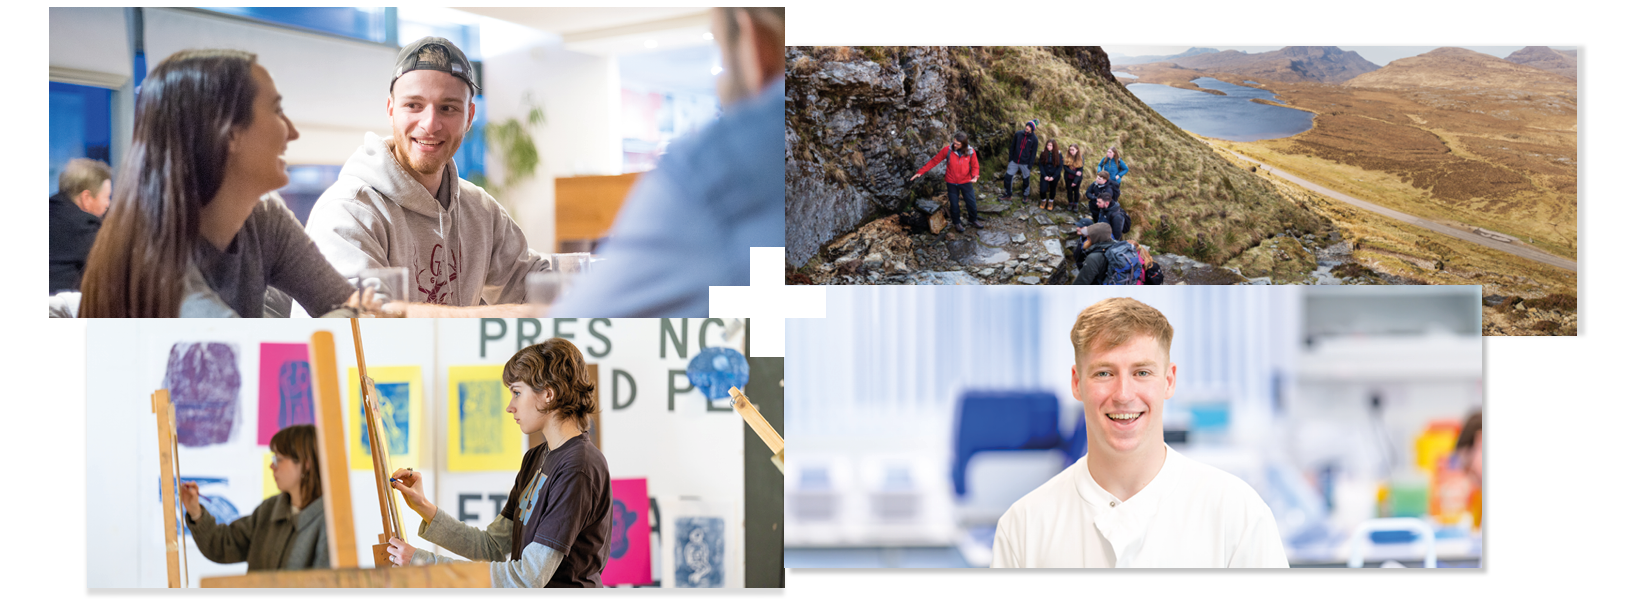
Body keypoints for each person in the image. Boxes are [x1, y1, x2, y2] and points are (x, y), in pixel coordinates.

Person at [78, 50, 375, 318]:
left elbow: (349, 304)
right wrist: (347, 320)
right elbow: (239, 362)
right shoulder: (155, 253)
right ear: (230, 134)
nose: (293, 132)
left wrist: (352, 316)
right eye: (276, 111)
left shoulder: (263, 219)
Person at [992, 298, 1288, 567]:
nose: (1123, 394)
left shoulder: (1238, 514)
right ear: (1077, 382)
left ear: (1169, 381)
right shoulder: (1023, 527)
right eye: (1104, 373)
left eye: (1142, 373)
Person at [547, 8, 784, 317]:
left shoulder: (713, 172)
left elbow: (572, 337)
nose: (721, 83)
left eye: (723, 57)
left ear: (754, 44)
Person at [304, 37, 549, 317]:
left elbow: (535, 284)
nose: (430, 124)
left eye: (448, 108)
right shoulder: (349, 211)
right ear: (391, 110)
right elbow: (364, 323)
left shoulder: (480, 210)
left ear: (469, 116)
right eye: (413, 105)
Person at [386, 338, 611, 588]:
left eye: (517, 392)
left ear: (548, 394)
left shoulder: (579, 467)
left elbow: (528, 577)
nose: (510, 407)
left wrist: (422, 564)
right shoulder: (535, 458)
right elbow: (491, 545)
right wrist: (424, 506)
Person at [181, 425, 329, 570]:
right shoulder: (269, 509)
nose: (272, 466)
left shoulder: (329, 524)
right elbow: (223, 545)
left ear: (306, 463)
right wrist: (196, 513)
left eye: (279, 459)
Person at [49, 158, 112, 294]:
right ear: (86, 198)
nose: (108, 204)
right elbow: (113, 272)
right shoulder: (85, 226)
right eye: (106, 197)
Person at [909, 131, 981, 233]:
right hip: (951, 182)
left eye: (957, 144)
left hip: (966, 181)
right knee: (954, 204)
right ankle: (957, 223)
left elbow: (975, 166)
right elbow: (934, 161)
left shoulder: (970, 151)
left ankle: (973, 219)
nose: (954, 145)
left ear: (963, 144)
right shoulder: (947, 150)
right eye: (954, 142)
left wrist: (975, 176)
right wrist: (920, 172)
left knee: (972, 203)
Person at [1000, 119, 1039, 202]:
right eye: (1027, 125)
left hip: (1025, 163)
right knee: (1007, 177)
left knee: (1026, 180)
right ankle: (1008, 194)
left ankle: (1025, 195)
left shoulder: (1034, 139)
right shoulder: (1018, 134)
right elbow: (1012, 147)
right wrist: (1010, 159)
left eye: (1029, 126)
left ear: (1032, 128)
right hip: (1014, 161)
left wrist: (1030, 164)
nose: (1027, 127)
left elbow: (1033, 153)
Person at [1036, 140, 1063, 211]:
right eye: (1048, 145)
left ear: (1054, 146)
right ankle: (1043, 200)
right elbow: (1040, 165)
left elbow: (1060, 167)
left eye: (1050, 145)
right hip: (1045, 174)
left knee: (1052, 189)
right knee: (1042, 190)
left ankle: (1050, 202)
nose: (1049, 147)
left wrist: (1053, 177)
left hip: (1055, 176)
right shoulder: (1043, 152)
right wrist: (1045, 175)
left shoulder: (1058, 153)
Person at [1062, 144, 1087, 212]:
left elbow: (1080, 170)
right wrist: (1074, 173)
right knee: (1069, 191)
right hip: (1068, 177)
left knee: (1076, 191)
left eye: (1073, 150)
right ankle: (1070, 203)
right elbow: (1065, 168)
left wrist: (1075, 181)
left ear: (1077, 150)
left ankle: (1075, 204)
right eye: (1070, 149)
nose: (1071, 151)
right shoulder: (1067, 156)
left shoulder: (1081, 157)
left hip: (1077, 178)